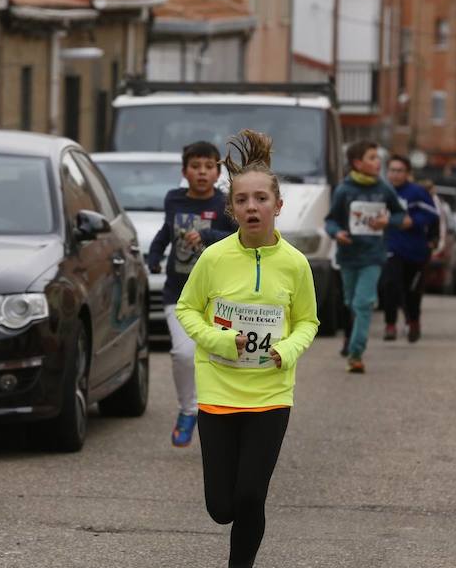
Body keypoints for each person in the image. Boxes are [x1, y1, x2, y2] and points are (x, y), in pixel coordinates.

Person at [175, 129, 319, 568]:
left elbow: (308, 321)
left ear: (277, 206)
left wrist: (288, 351)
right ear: (232, 209)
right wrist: (221, 340)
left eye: (260, 199)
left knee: (252, 494)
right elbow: (187, 310)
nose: (252, 207)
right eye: (242, 200)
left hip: (270, 396)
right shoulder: (215, 257)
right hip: (218, 394)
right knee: (222, 506)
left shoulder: (295, 264)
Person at [148, 141, 236, 447]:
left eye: (208, 166)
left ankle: (222, 416)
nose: (202, 172)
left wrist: (209, 235)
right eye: (195, 166)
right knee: (184, 354)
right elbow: (165, 231)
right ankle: (188, 410)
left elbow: (239, 239)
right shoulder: (174, 199)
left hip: (217, 294)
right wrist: (154, 255)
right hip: (178, 292)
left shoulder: (226, 204)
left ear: (217, 171)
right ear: (184, 171)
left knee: (218, 358)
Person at [324, 141, 410, 373]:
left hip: (373, 256)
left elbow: (402, 215)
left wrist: (387, 221)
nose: (378, 162)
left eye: (377, 157)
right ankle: (352, 340)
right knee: (350, 302)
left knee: (364, 303)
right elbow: (330, 220)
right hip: (349, 255)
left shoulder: (384, 189)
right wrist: (337, 233)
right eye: (372, 157)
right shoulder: (344, 190)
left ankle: (356, 352)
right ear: (357, 163)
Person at [382, 155, 439, 342]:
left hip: (414, 251)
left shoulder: (417, 192)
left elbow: (432, 215)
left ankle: (413, 321)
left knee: (411, 291)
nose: (395, 174)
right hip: (390, 247)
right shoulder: (381, 190)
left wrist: (413, 222)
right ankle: (390, 325)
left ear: (407, 173)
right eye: (392, 170)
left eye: (399, 171)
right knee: (390, 285)